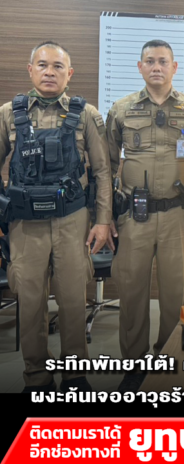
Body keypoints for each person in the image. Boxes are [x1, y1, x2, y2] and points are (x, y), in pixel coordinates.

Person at [0, 41, 112, 392]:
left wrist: (103, 221)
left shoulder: (87, 114)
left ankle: (75, 374)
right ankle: (37, 376)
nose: (50, 72)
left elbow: (103, 172)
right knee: (30, 301)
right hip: (24, 224)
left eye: (58, 66)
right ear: (30, 69)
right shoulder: (8, 113)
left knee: (73, 300)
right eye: (43, 65)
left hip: (72, 220)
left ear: (69, 73)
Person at [106, 40, 184, 392]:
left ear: (175, 67)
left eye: (163, 61)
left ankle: (168, 358)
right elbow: (106, 166)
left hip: (177, 214)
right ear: (140, 67)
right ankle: (134, 365)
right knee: (132, 292)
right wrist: (105, 216)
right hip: (134, 216)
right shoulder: (121, 109)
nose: (156, 67)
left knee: (174, 294)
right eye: (149, 61)